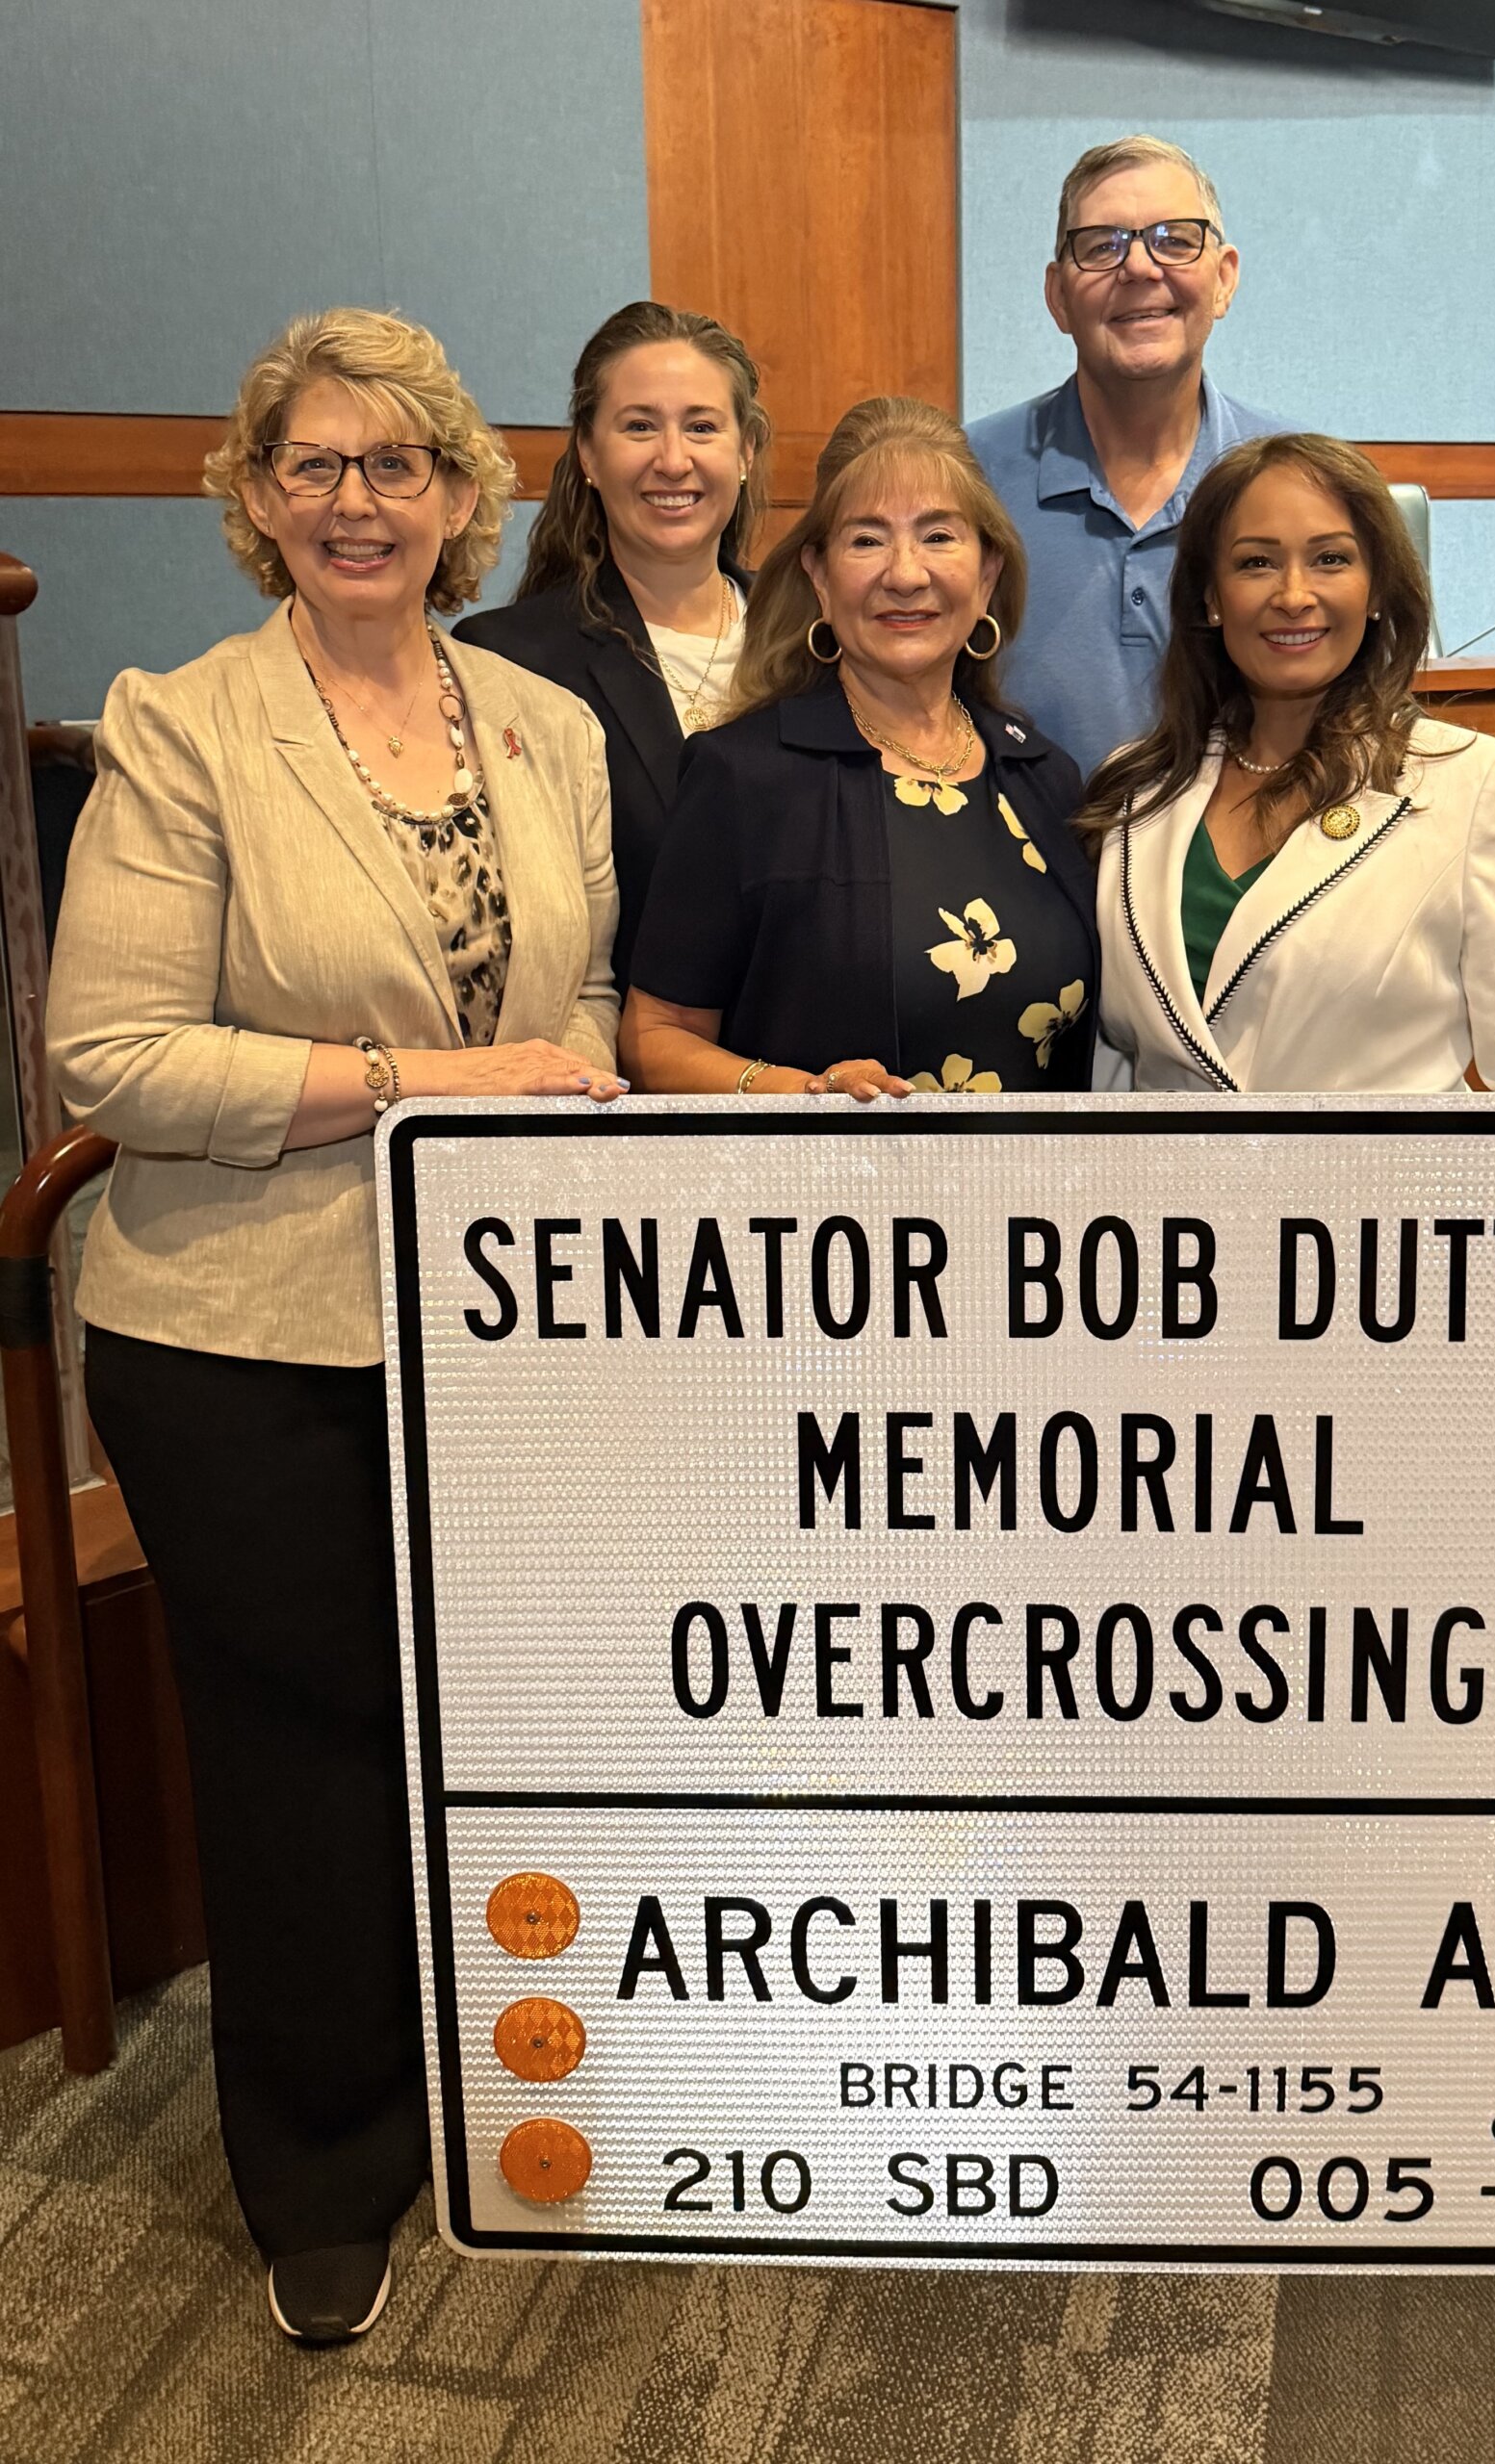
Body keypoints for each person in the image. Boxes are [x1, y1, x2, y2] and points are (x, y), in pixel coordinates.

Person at [45, 307, 625, 2345]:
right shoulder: (186, 721)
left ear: (465, 499)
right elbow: (111, 1050)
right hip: (247, 1337)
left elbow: (593, 1009)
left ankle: (509, 2098)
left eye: (399, 464)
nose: (358, 499)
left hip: (510, 1345)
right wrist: (414, 1082)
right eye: (316, 465)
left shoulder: (548, 728)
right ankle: (323, 2167)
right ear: (258, 499)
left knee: (504, 1744)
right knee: (305, 1763)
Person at [1087, 430, 1495, 1095]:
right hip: (1167, 1199)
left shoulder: (1473, 784)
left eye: (1330, 560)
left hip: (1386, 1199)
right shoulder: (1136, 787)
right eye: (1256, 562)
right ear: (1210, 596)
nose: (1293, 594)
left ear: (1377, 589)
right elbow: (1111, 1067)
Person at [622, 398, 1097, 1100]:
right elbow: (653, 1036)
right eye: (867, 540)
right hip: (826, 1200)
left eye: (939, 537)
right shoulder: (745, 776)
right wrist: (793, 1094)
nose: (905, 574)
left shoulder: (1046, 779)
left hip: (1035, 1204)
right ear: (818, 573)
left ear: (988, 572)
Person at [455, 300, 768, 993]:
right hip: (621, 1078)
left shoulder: (818, 643)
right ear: (589, 455)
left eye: (702, 426)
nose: (673, 459)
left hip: (832, 1080)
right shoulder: (508, 662)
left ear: (745, 451)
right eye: (638, 427)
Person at [967, 134, 1287, 783]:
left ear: (1224, 279)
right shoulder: (966, 476)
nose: (1140, 268)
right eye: (1102, 245)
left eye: (1174, 239)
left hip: (1253, 877)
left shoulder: (1299, 482)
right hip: (1021, 876)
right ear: (1058, 297)